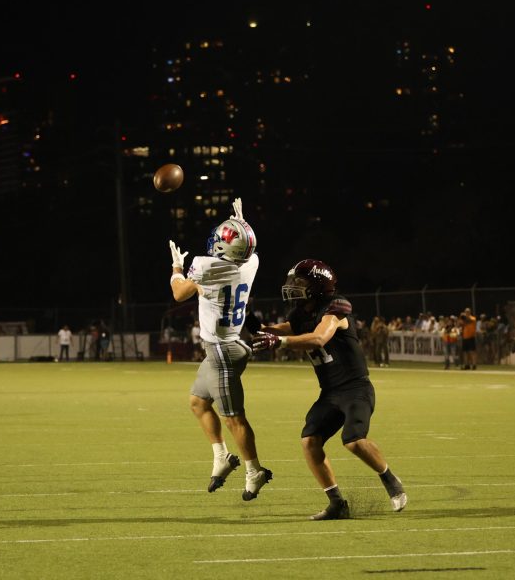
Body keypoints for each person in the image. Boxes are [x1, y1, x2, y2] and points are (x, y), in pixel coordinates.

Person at [252, 259, 407, 520]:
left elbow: (319, 337)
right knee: (310, 440)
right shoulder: (299, 315)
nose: (292, 287)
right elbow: (278, 329)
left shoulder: (336, 307)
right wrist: (247, 322)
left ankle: (390, 479)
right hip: (330, 393)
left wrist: (279, 342)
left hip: (356, 388)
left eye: (299, 282)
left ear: (318, 285)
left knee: (354, 441)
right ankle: (337, 503)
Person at [168, 197, 272, 501]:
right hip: (231, 344)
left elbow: (178, 293)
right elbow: (246, 249)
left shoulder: (206, 267)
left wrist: (176, 265)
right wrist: (242, 222)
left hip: (222, 352)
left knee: (234, 418)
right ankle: (222, 456)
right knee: (198, 403)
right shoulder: (251, 262)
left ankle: (255, 471)